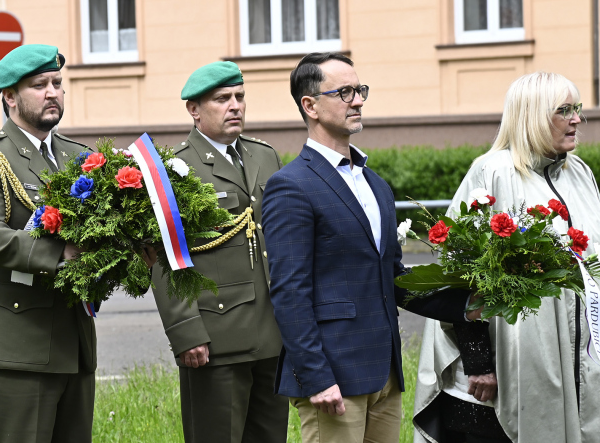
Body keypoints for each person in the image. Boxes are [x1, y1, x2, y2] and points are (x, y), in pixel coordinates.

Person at [412, 71, 600, 443]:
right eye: (565, 110)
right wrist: (479, 362)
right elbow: (461, 273)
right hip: (504, 373)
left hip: (580, 361)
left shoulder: (579, 174)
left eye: (577, 109)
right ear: (532, 115)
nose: (576, 119)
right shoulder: (492, 172)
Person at [261, 52, 477, 442]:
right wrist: (316, 378)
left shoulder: (376, 185)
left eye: (359, 90)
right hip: (333, 381)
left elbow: (392, 279)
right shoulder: (290, 185)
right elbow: (289, 291)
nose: (358, 100)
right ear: (309, 105)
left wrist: (466, 305)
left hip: (384, 373)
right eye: (344, 92)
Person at [0, 44, 97, 443]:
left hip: (75, 340)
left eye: (57, 84)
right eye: (39, 85)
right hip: (18, 345)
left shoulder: (79, 156)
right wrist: (59, 254)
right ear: (9, 97)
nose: (52, 92)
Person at [151, 61, 286, 443]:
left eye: (240, 97)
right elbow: (164, 257)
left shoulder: (264, 156)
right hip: (216, 337)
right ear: (194, 110)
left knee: (270, 435)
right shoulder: (175, 168)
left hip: (271, 333)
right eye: (222, 99)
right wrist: (186, 331)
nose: (235, 106)